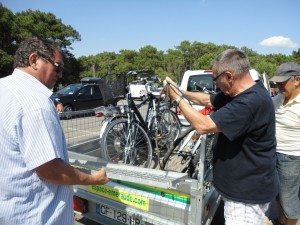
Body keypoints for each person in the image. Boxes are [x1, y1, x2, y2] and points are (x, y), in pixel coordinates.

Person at [0, 37, 110, 225]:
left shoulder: (4, 87)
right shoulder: (36, 103)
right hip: (36, 215)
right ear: (34, 60)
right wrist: (93, 179)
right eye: (57, 67)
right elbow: (50, 169)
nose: (59, 75)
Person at [163, 49, 278, 225]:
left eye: (216, 79)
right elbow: (207, 99)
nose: (216, 85)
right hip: (244, 188)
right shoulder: (237, 93)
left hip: (245, 198)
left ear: (229, 76)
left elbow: (203, 126)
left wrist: (177, 99)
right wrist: (181, 92)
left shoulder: (250, 102)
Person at [269, 62, 300, 225]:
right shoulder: (279, 98)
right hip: (275, 153)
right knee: (278, 194)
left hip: (292, 158)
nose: (278, 85)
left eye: (283, 82)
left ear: (297, 80)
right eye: (277, 82)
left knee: (289, 200)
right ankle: (280, 220)